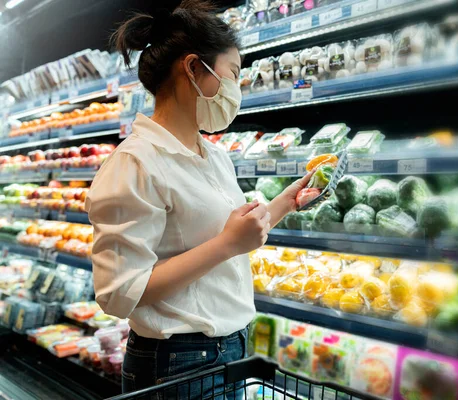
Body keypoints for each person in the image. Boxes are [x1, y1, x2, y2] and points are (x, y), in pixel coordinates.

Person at [85, 1, 312, 397]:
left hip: (229, 349)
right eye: (233, 74)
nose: (235, 89)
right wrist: (226, 245)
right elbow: (120, 292)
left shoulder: (214, 155)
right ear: (193, 68)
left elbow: (233, 233)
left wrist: (286, 203)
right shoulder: (135, 163)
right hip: (178, 360)